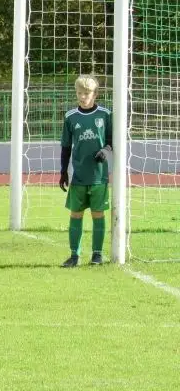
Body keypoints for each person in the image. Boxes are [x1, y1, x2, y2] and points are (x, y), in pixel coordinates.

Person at [58, 75, 112, 267]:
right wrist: (63, 171)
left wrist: (105, 150)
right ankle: (74, 255)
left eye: (87, 93)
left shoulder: (105, 114)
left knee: (98, 214)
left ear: (95, 94)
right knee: (76, 214)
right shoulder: (70, 117)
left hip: (99, 176)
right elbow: (65, 146)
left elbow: (112, 140)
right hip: (78, 176)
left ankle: (97, 254)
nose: (83, 97)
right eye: (80, 93)